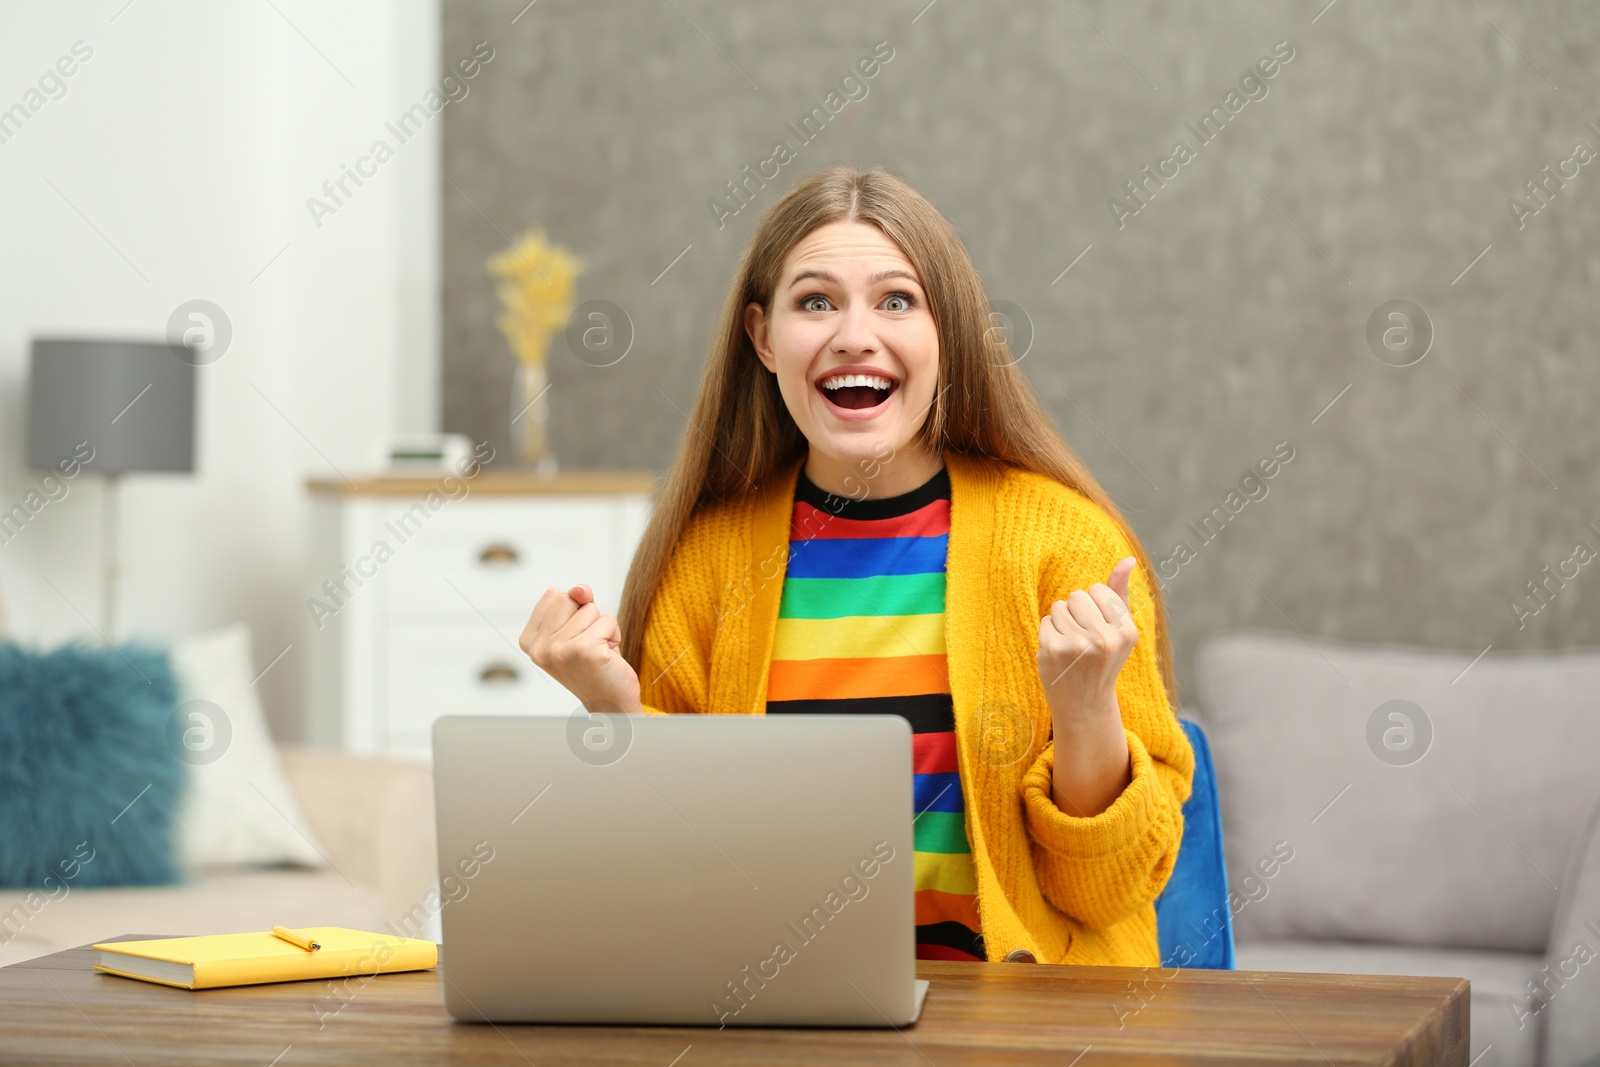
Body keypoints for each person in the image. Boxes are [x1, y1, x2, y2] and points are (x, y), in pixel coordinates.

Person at [521, 164, 1195, 967]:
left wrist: (1086, 711)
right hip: (787, 1022)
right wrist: (615, 713)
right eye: (815, 301)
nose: (853, 335)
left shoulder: (1068, 545)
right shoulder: (706, 561)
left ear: (948, 333)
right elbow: (671, 887)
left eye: (896, 300)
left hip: (1026, 1034)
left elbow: (1109, 895)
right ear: (764, 339)